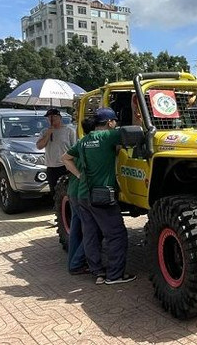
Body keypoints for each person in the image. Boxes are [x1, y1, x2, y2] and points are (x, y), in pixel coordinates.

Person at [62, 107, 135, 285]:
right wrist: (135, 110)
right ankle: (115, 275)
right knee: (116, 234)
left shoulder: (84, 140)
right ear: (110, 122)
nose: (116, 123)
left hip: (82, 195)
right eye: (114, 121)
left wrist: (79, 175)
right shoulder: (108, 136)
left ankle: (97, 272)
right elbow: (134, 132)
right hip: (101, 196)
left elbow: (65, 158)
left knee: (91, 234)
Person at [67, 117, 101, 275]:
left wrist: (78, 175)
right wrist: (81, 175)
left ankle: (72, 263)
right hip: (80, 191)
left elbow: (65, 158)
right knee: (93, 231)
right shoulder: (92, 146)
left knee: (76, 230)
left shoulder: (80, 144)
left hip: (73, 191)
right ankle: (77, 263)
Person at [36, 108, 76, 194]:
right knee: (54, 192)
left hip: (65, 166)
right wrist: (48, 134)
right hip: (51, 167)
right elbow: (39, 146)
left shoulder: (69, 131)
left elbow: (75, 148)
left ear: (60, 117)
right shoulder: (44, 132)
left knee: (66, 190)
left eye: (54, 116)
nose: (51, 119)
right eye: (49, 117)